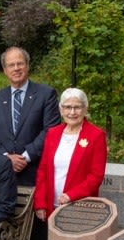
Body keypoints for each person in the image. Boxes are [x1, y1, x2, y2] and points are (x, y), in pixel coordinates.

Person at [0, 46, 60, 240]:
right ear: (4, 70)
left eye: (20, 64)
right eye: (11, 65)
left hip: (34, 170)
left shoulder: (46, 94)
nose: (16, 68)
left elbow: (50, 130)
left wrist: (26, 156)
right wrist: (7, 157)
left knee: (35, 229)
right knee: (6, 224)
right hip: (4, 172)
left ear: (27, 66)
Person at [33, 87, 108, 222]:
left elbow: (96, 176)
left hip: (80, 207)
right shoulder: (52, 134)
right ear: (61, 110)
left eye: (77, 107)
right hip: (51, 207)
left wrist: (71, 195)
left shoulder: (96, 135)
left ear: (85, 109)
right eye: (67, 107)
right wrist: (40, 203)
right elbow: (43, 170)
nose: (72, 112)